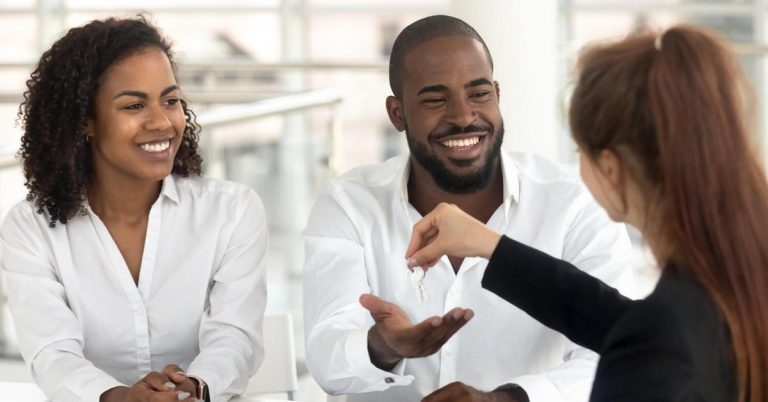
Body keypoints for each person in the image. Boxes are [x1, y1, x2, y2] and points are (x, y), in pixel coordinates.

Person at [405, 25, 768, 402]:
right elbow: (613, 317)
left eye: (580, 152)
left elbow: (641, 333)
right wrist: (491, 246)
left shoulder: (656, 343)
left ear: (610, 169)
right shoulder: (732, 286)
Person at [303, 15, 634, 402]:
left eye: (479, 94)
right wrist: (382, 346)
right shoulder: (348, 204)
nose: (463, 116)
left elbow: (617, 355)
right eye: (435, 99)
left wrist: (507, 400)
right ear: (397, 114)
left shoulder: (574, 203)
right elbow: (327, 358)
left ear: (497, 94)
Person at [1, 16, 268, 402]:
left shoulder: (233, 211)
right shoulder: (31, 228)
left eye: (171, 100)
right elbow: (52, 352)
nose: (161, 121)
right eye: (134, 105)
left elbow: (235, 335)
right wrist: (119, 397)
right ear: (86, 121)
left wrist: (193, 388)